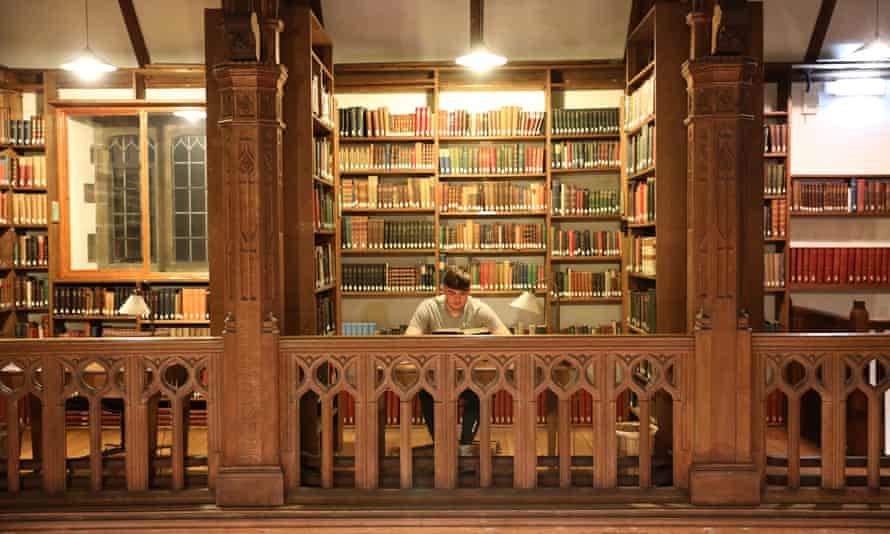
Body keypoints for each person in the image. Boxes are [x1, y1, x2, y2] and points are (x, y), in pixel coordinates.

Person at [405, 265, 510, 452]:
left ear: (469, 292)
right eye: (452, 293)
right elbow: (409, 339)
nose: (457, 299)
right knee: (425, 392)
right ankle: (441, 445)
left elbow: (505, 337)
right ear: (444, 289)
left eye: (462, 294)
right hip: (436, 378)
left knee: (483, 393)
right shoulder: (428, 307)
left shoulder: (479, 308)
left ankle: (465, 445)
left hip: (470, 377)